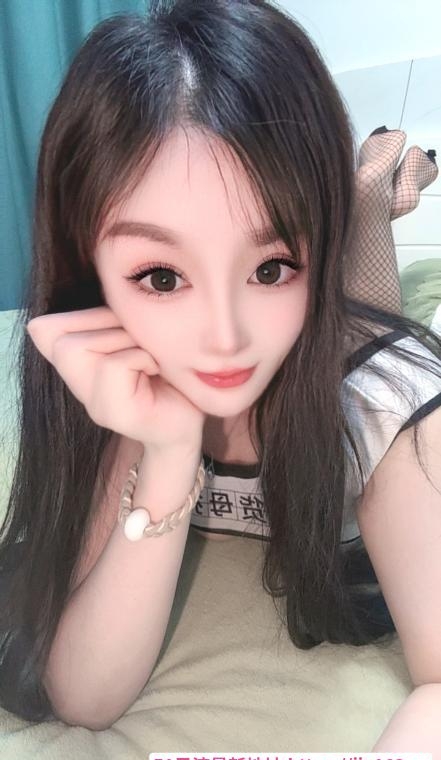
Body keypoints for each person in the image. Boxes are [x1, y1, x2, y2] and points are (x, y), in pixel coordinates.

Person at [1, 0, 441, 745]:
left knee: (362, 296)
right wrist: (168, 450)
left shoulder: (385, 406)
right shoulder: (113, 383)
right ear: (89, 270)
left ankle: (368, 194)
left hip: (337, 336)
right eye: (161, 277)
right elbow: (87, 695)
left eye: (271, 266)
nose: (225, 339)